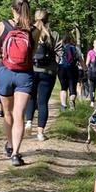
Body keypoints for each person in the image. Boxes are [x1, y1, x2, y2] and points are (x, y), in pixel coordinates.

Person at [0, 0, 35, 166]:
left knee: (7, 114)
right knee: (19, 115)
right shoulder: (33, 29)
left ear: (12, 9)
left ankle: (9, 145)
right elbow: (32, 54)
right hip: (25, 75)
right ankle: (16, 153)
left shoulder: (2, 25)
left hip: (5, 72)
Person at [24, 9, 59, 141]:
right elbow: (60, 53)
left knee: (31, 98)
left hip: (31, 70)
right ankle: (40, 133)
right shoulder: (53, 34)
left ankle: (28, 122)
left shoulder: (29, 32)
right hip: (48, 72)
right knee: (43, 102)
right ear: (47, 19)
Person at [57, 33, 84, 111]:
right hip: (73, 69)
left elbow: (57, 60)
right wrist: (85, 69)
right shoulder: (76, 48)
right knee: (72, 87)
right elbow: (80, 60)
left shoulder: (61, 49)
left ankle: (63, 106)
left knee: (63, 88)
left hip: (62, 69)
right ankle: (72, 101)